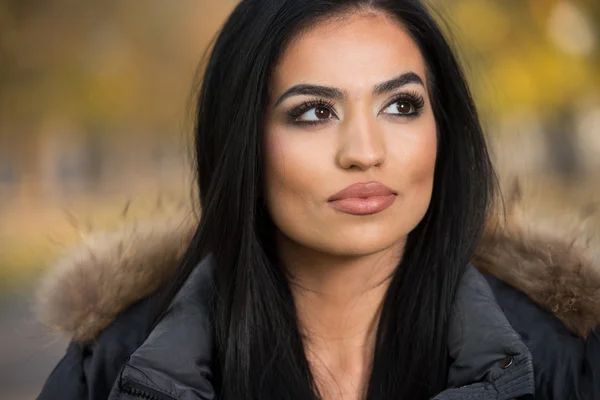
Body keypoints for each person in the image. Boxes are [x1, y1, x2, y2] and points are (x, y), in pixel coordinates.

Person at [36, 0, 600, 399]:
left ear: (444, 128)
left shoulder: (562, 363)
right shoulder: (113, 369)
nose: (364, 152)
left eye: (401, 106)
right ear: (244, 143)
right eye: (313, 111)